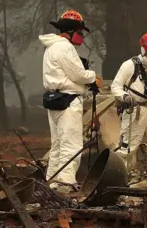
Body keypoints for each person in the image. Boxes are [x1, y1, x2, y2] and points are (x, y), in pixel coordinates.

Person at [39, 10, 100, 192]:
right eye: (80, 33)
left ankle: (52, 182)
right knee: (71, 145)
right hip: (68, 101)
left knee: (57, 145)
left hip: (55, 100)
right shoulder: (64, 47)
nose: (81, 37)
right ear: (71, 30)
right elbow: (78, 74)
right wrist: (93, 77)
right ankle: (65, 185)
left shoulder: (51, 47)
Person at [111, 32, 147, 169]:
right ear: (143, 50)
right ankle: (118, 178)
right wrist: (125, 96)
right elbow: (116, 86)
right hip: (135, 111)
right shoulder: (129, 66)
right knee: (126, 150)